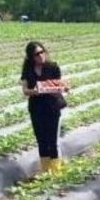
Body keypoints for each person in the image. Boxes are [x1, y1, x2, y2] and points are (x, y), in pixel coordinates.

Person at [21, 41, 67, 174]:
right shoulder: (28, 70)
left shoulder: (53, 67)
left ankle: (56, 171)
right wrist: (36, 91)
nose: (41, 55)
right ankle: (45, 170)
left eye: (42, 52)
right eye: (37, 54)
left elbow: (58, 85)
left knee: (52, 140)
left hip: (52, 106)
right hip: (36, 108)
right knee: (41, 140)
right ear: (31, 57)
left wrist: (62, 87)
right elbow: (25, 90)